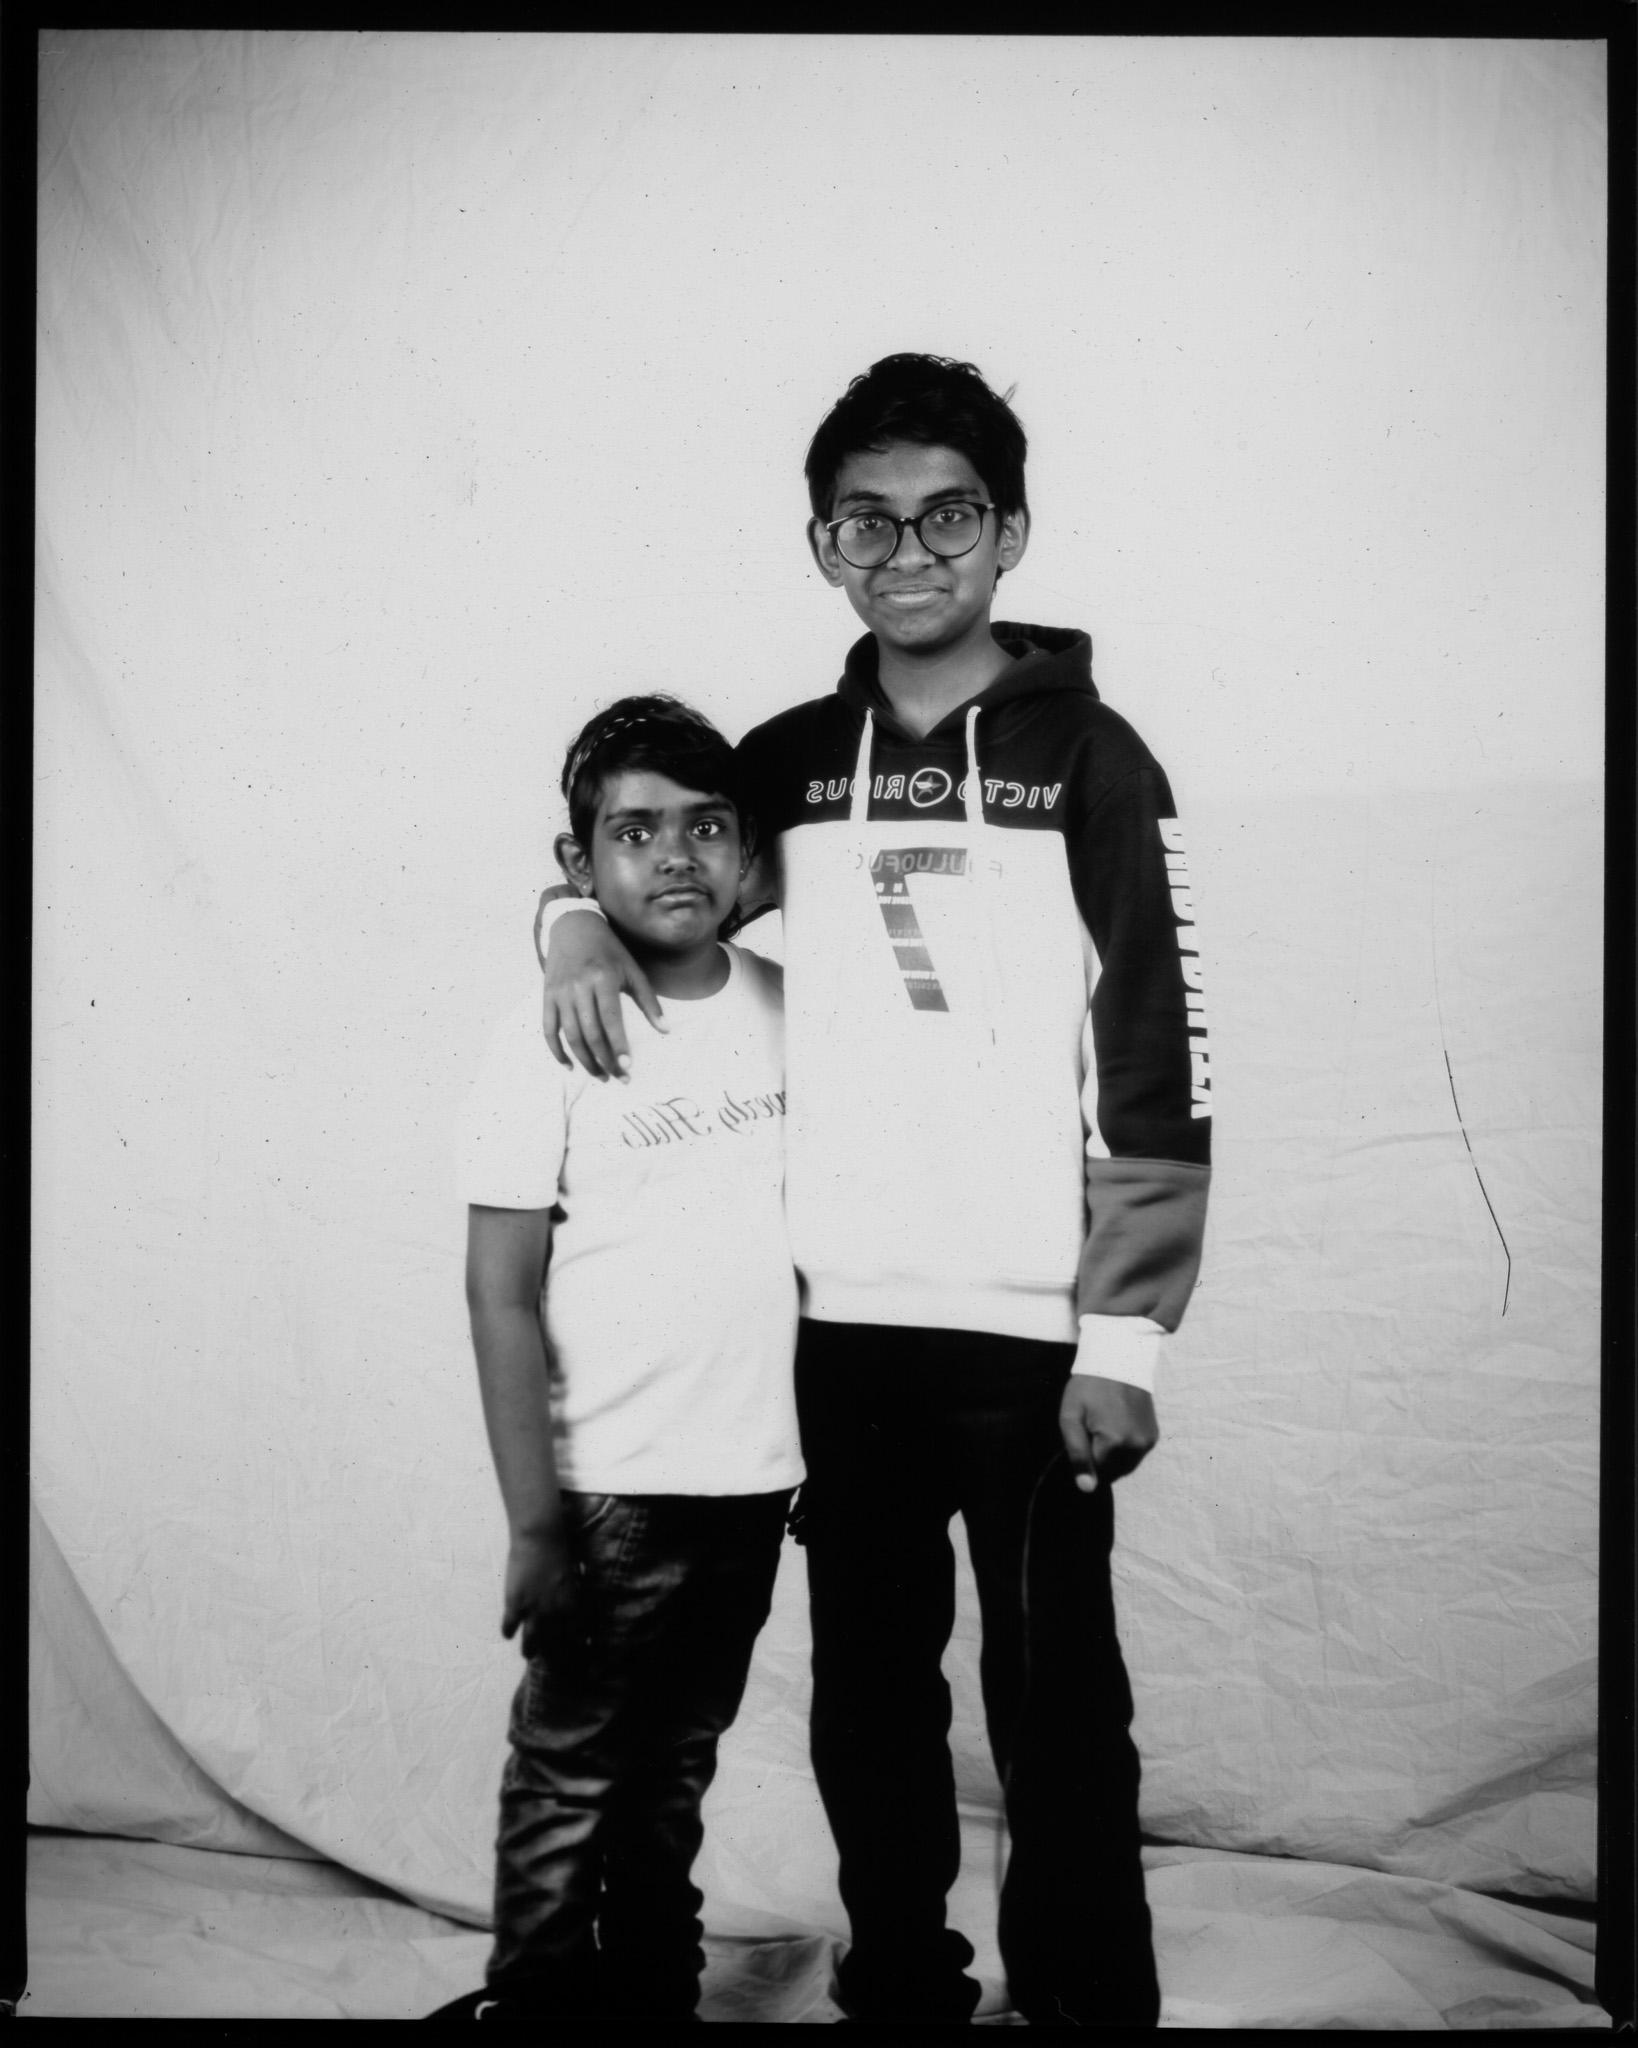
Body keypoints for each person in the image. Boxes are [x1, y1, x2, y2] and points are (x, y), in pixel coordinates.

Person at [535, 355, 1211, 2028]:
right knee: (868, 1694)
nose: (909, 553)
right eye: (867, 522)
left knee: (1056, 1700)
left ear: (1010, 531)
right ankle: (901, 1985)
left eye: (947, 516)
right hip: (837, 1335)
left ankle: (1085, 2003)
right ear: (824, 545)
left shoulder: (1093, 759)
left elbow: (1155, 1052)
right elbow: (648, 868)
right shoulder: (788, 760)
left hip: (1034, 1335)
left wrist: (1125, 1337)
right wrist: (564, 928)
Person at [441, 696, 803, 2025]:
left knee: (676, 1764)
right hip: (609, 1490)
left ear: (747, 849)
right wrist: (534, 1521)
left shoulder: (789, 1009)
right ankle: (536, 2004)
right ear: (578, 861)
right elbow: (499, 1292)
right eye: (634, 832)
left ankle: (652, 1996)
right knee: (572, 1770)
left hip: (752, 1481)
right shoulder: (544, 1034)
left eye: (706, 827)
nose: (674, 857)